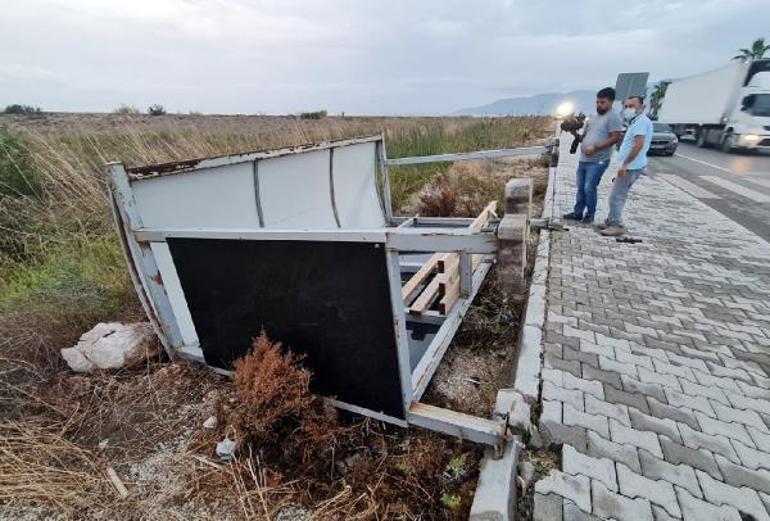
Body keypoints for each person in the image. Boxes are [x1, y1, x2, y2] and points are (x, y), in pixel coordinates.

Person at [563, 87, 622, 224]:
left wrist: (596, 147)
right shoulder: (593, 119)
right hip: (584, 159)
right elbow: (583, 138)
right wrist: (573, 132)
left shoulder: (613, 117)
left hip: (599, 160)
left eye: (602, 102)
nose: (599, 105)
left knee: (589, 187)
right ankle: (578, 212)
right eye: (597, 102)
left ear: (611, 102)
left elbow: (615, 138)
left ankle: (590, 215)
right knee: (581, 187)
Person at [598, 95, 653, 237]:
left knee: (616, 196)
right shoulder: (637, 122)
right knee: (617, 195)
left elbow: (639, 145)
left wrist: (626, 165)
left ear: (642, 107)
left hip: (631, 167)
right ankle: (611, 220)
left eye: (632, 106)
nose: (628, 109)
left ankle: (617, 225)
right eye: (626, 106)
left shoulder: (641, 122)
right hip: (630, 166)